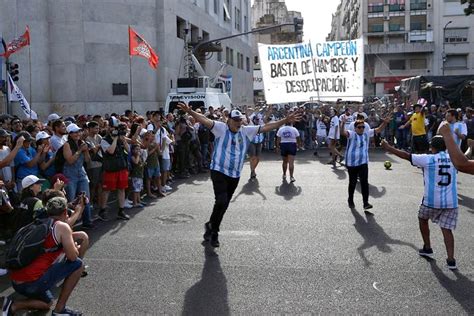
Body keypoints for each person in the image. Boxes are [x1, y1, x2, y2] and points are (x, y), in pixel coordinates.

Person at [177, 102, 300, 248]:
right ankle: (215, 232)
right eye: (235, 120)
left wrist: (285, 121)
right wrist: (190, 112)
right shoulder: (220, 128)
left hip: (234, 174)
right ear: (228, 120)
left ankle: (211, 224)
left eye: (239, 120)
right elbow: (204, 120)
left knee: (224, 204)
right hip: (218, 170)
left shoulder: (246, 131)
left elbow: (266, 127)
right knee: (221, 200)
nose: (238, 123)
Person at [381, 136, 459, 270]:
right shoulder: (454, 159)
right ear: (445, 147)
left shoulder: (428, 159)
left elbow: (407, 156)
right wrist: (470, 148)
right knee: (447, 229)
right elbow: (466, 159)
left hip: (431, 201)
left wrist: (388, 148)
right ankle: (451, 260)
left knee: (422, 218)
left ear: (432, 147)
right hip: (451, 202)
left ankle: (427, 247)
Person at [3, 197, 86, 315]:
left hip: (17, 281)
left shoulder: (39, 221)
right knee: (78, 264)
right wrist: (75, 248)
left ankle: (13, 305)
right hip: (31, 283)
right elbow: (73, 258)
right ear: (64, 212)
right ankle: (60, 310)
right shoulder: (62, 227)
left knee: (47, 303)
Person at [340, 116, 390, 210]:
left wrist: (385, 122)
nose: (361, 129)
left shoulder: (366, 134)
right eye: (359, 127)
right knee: (353, 182)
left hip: (363, 162)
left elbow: (378, 130)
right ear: (355, 128)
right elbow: (342, 132)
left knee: (364, 182)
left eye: (363, 127)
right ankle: (350, 199)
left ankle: (365, 203)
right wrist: (342, 123)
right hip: (352, 163)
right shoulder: (351, 134)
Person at [62, 124, 94, 229]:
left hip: (81, 172)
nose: (77, 134)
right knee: (71, 200)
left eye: (78, 131)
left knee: (85, 198)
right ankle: (71, 225)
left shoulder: (82, 143)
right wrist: (80, 150)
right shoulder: (67, 145)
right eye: (75, 132)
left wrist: (86, 151)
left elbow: (87, 160)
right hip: (70, 174)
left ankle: (87, 222)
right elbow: (70, 160)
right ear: (70, 134)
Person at [98, 118, 130, 221]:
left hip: (121, 167)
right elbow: (111, 151)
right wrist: (115, 139)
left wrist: (123, 140)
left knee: (121, 189)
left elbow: (128, 150)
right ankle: (102, 210)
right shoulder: (104, 140)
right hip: (110, 169)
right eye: (113, 128)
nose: (115, 130)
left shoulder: (121, 138)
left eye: (116, 128)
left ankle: (121, 211)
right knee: (107, 190)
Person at [248, 112, 265, 179]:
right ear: (253, 120)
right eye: (256, 119)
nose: (257, 121)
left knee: (258, 158)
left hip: (259, 143)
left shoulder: (261, 125)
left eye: (258, 120)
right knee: (252, 157)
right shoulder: (251, 125)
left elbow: (266, 119)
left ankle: (252, 170)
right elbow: (247, 118)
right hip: (252, 142)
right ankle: (253, 172)